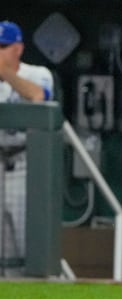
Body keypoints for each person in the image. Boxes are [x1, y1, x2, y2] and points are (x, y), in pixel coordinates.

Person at [0, 21, 54, 266]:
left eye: (3, 46)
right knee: (5, 256)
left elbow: (39, 96)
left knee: (29, 249)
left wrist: (6, 73)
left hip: (25, 167)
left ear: (18, 49)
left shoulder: (37, 73)